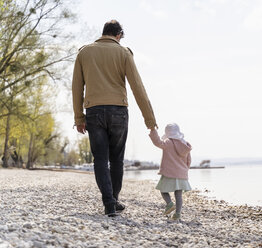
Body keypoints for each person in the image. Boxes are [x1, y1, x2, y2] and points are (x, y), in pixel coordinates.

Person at [72, 20, 157, 217]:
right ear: (118, 35)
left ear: (103, 33)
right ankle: (114, 199)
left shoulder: (84, 53)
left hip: (93, 111)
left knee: (100, 159)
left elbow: (77, 87)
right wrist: (150, 122)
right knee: (116, 159)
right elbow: (138, 88)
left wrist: (79, 118)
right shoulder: (124, 53)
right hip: (119, 111)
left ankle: (109, 203)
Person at [149, 123, 192, 221]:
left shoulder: (168, 142)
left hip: (169, 172)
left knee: (163, 190)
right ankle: (177, 214)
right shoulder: (185, 144)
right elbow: (189, 160)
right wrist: (185, 170)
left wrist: (153, 131)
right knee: (178, 194)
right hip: (182, 173)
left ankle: (169, 204)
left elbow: (157, 142)